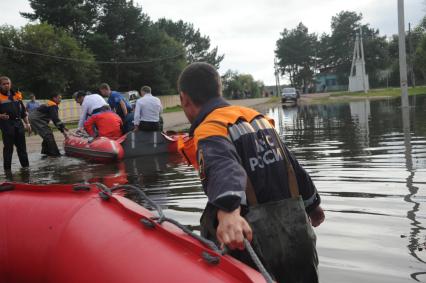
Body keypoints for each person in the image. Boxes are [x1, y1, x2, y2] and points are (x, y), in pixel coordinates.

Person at [177, 63, 325, 283]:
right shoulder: (257, 118)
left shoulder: (210, 127)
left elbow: (223, 167)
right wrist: (313, 205)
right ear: (220, 89)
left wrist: (228, 210)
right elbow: (291, 165)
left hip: (254, 246)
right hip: (298, 240)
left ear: (184, 99)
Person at [0, 76, 30, 172]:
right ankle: (7, 172)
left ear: (10, 84)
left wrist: (28, 124)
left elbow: (23, 112)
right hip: (7, 125)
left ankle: (26, 169)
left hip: (18, 124)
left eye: (8, 83)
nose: (6, 85)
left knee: (22, 149)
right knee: (8, 150)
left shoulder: (16, 95)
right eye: (4, 84)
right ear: (0, 85)